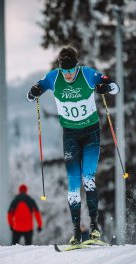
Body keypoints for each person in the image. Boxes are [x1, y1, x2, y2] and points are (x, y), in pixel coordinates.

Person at [27, 46, 119, 245]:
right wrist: (33, 92)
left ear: (77, 67)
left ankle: (94, 227)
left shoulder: (87, 74)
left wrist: (106, 87)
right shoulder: (54, 77)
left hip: (91, 133)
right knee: (74, 185)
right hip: (70, 135)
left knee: (88, 178)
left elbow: (114, 87)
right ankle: (77, 232)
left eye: (71, 71)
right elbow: (37, 88)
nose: (68, 75)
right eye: (65, 71)